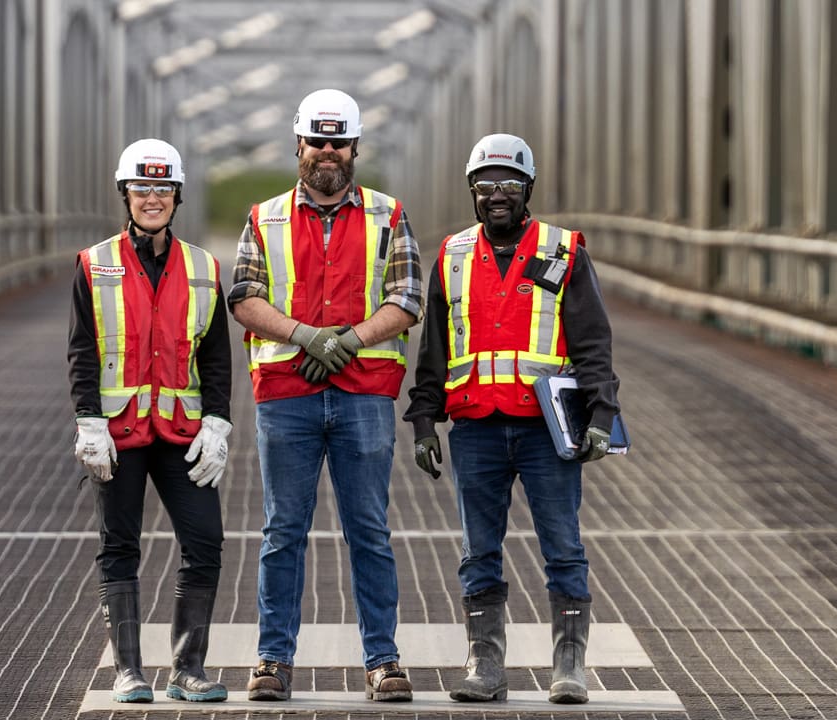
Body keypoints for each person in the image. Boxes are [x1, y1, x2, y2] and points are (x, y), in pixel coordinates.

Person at [403, 133, 620, 705]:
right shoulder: (451, 256)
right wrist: (424, 420)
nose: (496, 195)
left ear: (527, 189)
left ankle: (569, 666)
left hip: (547, 428)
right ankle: (486, 664)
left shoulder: (562, 250)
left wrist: (602, 412)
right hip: (475, 426)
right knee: (479, 550)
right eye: (485, 186)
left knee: (563, 546)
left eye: (508, 185)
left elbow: (593, 341)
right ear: (472, 191)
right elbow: (434, 349)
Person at [228, 88, 423, 703]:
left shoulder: (389, 215)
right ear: (299, 146)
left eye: (339, 142)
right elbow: (244, 297)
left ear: (356, 147)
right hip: (287, 394)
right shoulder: (264, 218)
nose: (328, 152)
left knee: (368, 530)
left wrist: (351, 340)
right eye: (318, 141)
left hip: (364, 393)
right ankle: (272, 660)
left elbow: (407, 298)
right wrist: (306, 336)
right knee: (283, 530)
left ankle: (383, 662)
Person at [68, 138, 233, 704]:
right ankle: (128, 671)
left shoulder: (204, 268)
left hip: (181, 433)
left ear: (177, 195)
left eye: (163, 189)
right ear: (126, 194)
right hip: (117, 434)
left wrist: (218, 423)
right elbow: (82, 350)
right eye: (142, 188)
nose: (152, 198)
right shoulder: (95, 264)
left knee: (205, 540)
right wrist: (88, 419)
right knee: (119, 546)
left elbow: (215, 355)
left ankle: (188, 669)